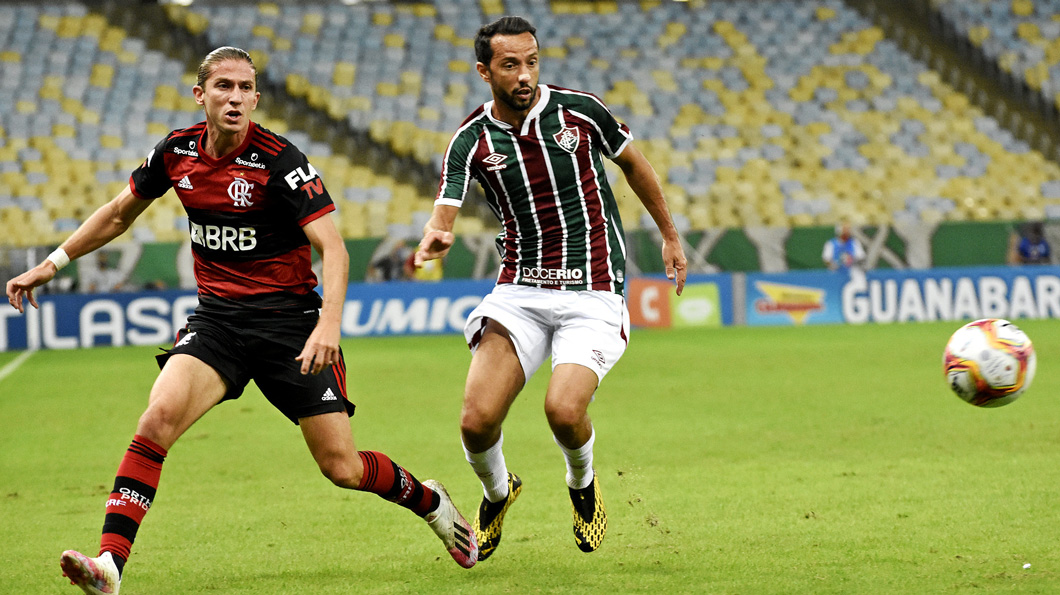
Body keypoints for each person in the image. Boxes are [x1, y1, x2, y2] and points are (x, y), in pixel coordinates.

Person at [6, 47, 477, 595]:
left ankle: (431, 502)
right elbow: (117, 214)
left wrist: (328, 324)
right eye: (223, 86)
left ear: (256, 97)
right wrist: (51, 263)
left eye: (245, 88)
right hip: (219, 323)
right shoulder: (176, 152)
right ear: (200, 94)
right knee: (156, 419)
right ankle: (111, 565)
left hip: (292, 327)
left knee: (342, 467)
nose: (235, 97)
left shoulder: (281, 161)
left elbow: (335, 250)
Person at [413, 16, 687, 561]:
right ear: (484, 72)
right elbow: (444, 208)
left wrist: (670, 236)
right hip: (519, 292)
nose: (524, 75)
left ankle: (582, 487)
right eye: (510, 64)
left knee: (563, 410)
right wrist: (437, 234)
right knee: (476, 419)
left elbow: (634, 163)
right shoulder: (471, 139)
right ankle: (497, 492)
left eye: (531, 61)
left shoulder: (580, 112)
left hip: (593, 287)